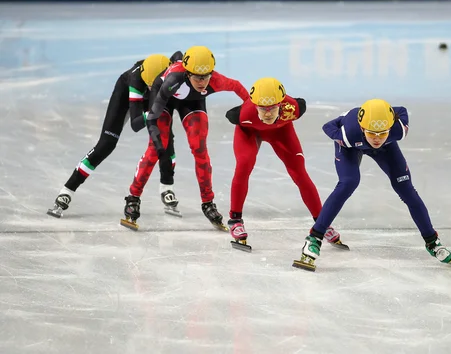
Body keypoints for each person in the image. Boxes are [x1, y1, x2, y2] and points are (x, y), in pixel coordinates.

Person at [292, 99, 451, 271]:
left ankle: (432, 242)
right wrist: (342, 130)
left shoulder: (398, 130)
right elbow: (328, 125)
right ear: (362, 128)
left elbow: (401, 110)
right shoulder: (347, 134)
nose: (377, 138)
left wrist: (383, 126)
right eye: (372, 133)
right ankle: (314, 238)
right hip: (351, 147)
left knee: (406, 190)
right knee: (348, 183)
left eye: (382, 133)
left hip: (387, 148)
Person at [121, 46, 250, 231]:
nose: (202, 81)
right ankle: (133, 197)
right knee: (156, 148)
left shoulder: (216, 81)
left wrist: (250, 110)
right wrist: (154, 135)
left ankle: (208, 203)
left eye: (206, 76)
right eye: (197, 77)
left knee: (200, 149)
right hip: (163, 99)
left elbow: (237, 87)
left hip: (192, 103)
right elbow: (153, 115)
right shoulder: (173, 78)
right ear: (187, 73)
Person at [47, 52, 179, 218]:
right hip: (126, 95)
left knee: (166, 140)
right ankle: (66, 191)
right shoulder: (135, 82)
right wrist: (152, 113)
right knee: (106, 144)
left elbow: (178, 56)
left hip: (152, 93)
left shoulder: (172, 71)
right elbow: (136, 124)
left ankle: (167, 187)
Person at [224, 77, 348, 252]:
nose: (267, 113)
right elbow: (230, 115)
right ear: (254, 105)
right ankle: (235, 220)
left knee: (299, 172)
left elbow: (301, 103)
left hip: (281, 132)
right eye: (262, 108)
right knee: (244, 165)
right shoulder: (243, 114)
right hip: (249, 131)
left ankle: (322, 223)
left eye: (272, 108)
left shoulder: (293, 109)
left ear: (281, 104)